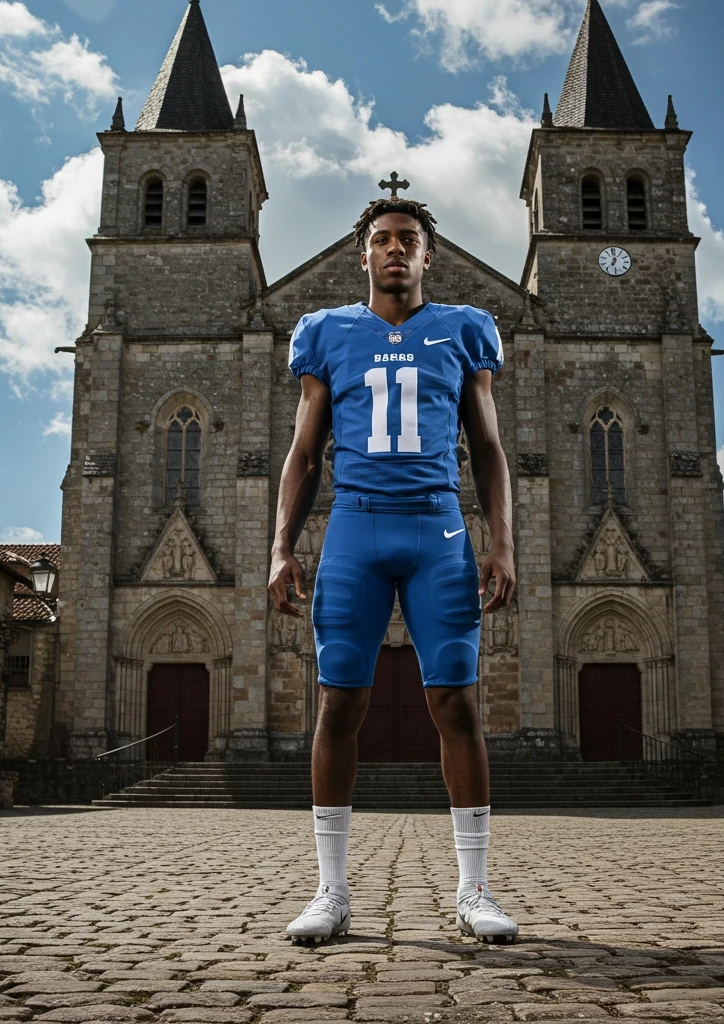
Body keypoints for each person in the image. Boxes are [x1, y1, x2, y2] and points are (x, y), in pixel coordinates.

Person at [268, 195, 518, 946]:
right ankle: (332, 891)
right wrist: (281, 546)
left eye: (409, 239)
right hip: (355, 527)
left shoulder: (464, 329)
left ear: (427, 255)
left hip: (438, 526)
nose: (395, 248)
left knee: (456, 704)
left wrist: (502, 543)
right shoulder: (327, 332)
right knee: (338, 704)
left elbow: (488, 449)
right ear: (365, 254)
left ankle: (474, 890)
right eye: (382, 239)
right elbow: (304, 453)